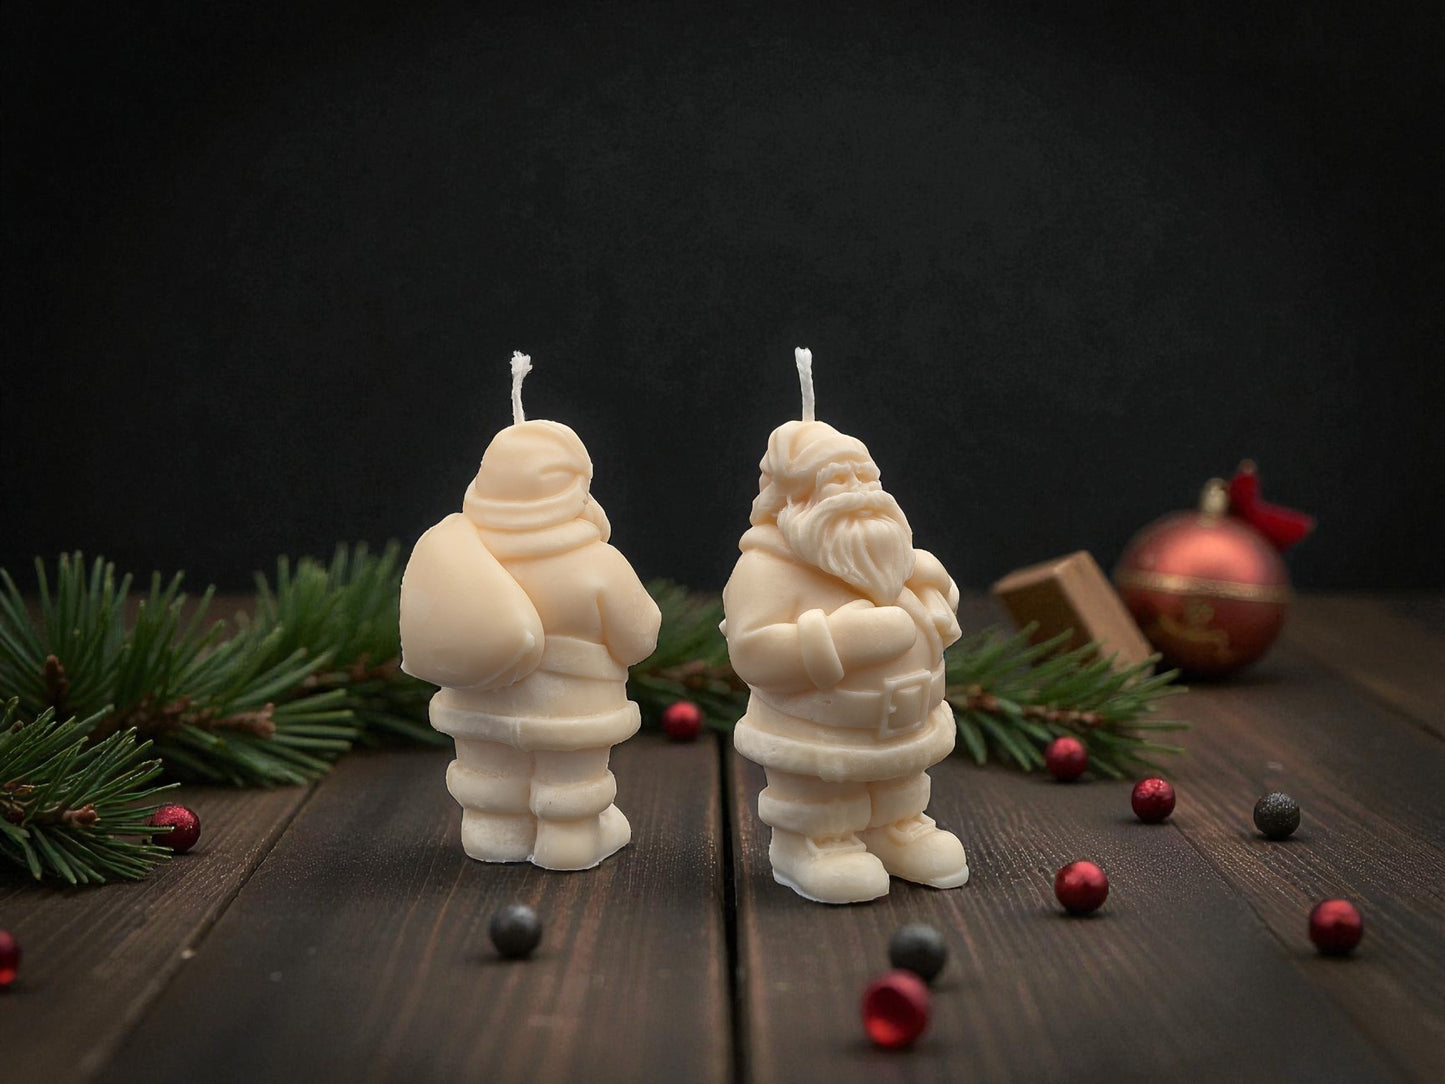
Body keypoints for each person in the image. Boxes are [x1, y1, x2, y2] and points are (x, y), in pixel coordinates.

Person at [722, 416, 968, 903]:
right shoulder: (765, 568)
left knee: (900, 780)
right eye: (837, 480)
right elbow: (752, 651)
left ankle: (896, 828)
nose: (859, 493)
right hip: (814, 727)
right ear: (793, 497)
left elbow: (937, 621)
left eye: (866, 477)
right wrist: (840, 639)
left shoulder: (890, 558)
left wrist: (939, 592)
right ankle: (812, 844)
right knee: (821, 792)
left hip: (904, 721)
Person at [401, 416, 660, 871]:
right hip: (575, 711)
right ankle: (570, 840)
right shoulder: (598, 564)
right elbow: (639, 639)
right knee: (571, 784)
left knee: (489, 778)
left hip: (477, 707)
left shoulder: (463, 554)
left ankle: (492, 834)